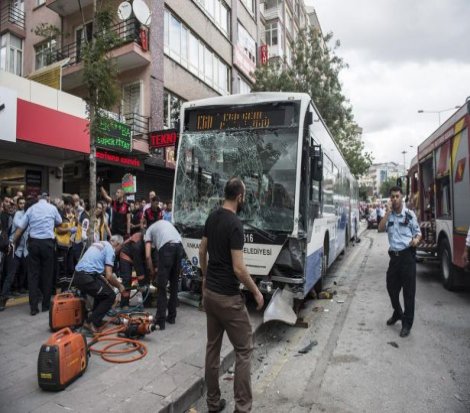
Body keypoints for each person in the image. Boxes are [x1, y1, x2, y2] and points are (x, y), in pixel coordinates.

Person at [199, 177, 264, 413]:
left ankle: (213, 404)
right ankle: (242, 407)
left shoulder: (212, 217)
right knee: (244, 349)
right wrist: (256, 292)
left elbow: (202, 249)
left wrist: (205, 277)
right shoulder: (235, 224)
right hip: (228, 298)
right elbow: (239, 268)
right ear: (239, 197)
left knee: (212, 349)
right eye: (244, 196)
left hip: (210, 295)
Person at [378, 186, 421, 338]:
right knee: (391, 288)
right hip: (394, 258)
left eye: (397, 196)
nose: (395, 199)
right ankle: (398, 312)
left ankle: (407, 324)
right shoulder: (389, 215)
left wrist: (416, 240)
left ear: (402, 197)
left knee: (408, 293)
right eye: (392, 197)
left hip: (407, 256)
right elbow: (380, 228)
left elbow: (418, 233)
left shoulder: (409, 215)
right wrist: (387, 212)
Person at [12, 192, 62, 315]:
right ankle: (45, 305)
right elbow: (59, 222)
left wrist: (12, 242)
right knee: (47, 275)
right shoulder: (52, 208)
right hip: (47, 245)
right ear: (47, 199)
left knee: (33, 275)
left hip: (33, 244)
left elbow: (20, 228)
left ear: (39, 199)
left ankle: (33, 308)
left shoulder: (31, 209)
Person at [74, 235, 127, 332]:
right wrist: (119, 286)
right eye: (121, 247)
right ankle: (90, 322)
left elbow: (98, 270)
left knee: (104, 291)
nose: (120, 250)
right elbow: (109, 275)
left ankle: (96, 320)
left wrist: (107, 283)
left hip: (78, 276)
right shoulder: (110, 249)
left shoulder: (99, 243)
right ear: (117, 244)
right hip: (86, 277)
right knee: (110, 296)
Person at [145, 219, 184, 330]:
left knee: (161, 287)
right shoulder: (165, 224)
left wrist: (152, 272)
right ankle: (172, 317)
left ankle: (160, 321)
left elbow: (148, 256)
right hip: (179, 248)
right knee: (174, 285)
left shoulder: (148, 231)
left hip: (167, 249)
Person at [0, 197, 29, 311]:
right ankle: (3, 298)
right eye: (7, 202)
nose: (9, 204)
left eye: (11, 203)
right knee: (9, 274)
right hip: (10, 248)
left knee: (12, 273)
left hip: (19, 248)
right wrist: (7, 244)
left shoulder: (14, 215)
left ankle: (4, 295)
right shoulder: (12, 216)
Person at [119, 231, 147, 307]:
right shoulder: (137, 245)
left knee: (145, 276)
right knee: (127, 279)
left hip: (137, 256)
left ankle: (147, 301)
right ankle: (124, 304)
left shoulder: (148, 240)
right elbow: (138, 265)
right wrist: (141, 282)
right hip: (126, 255)